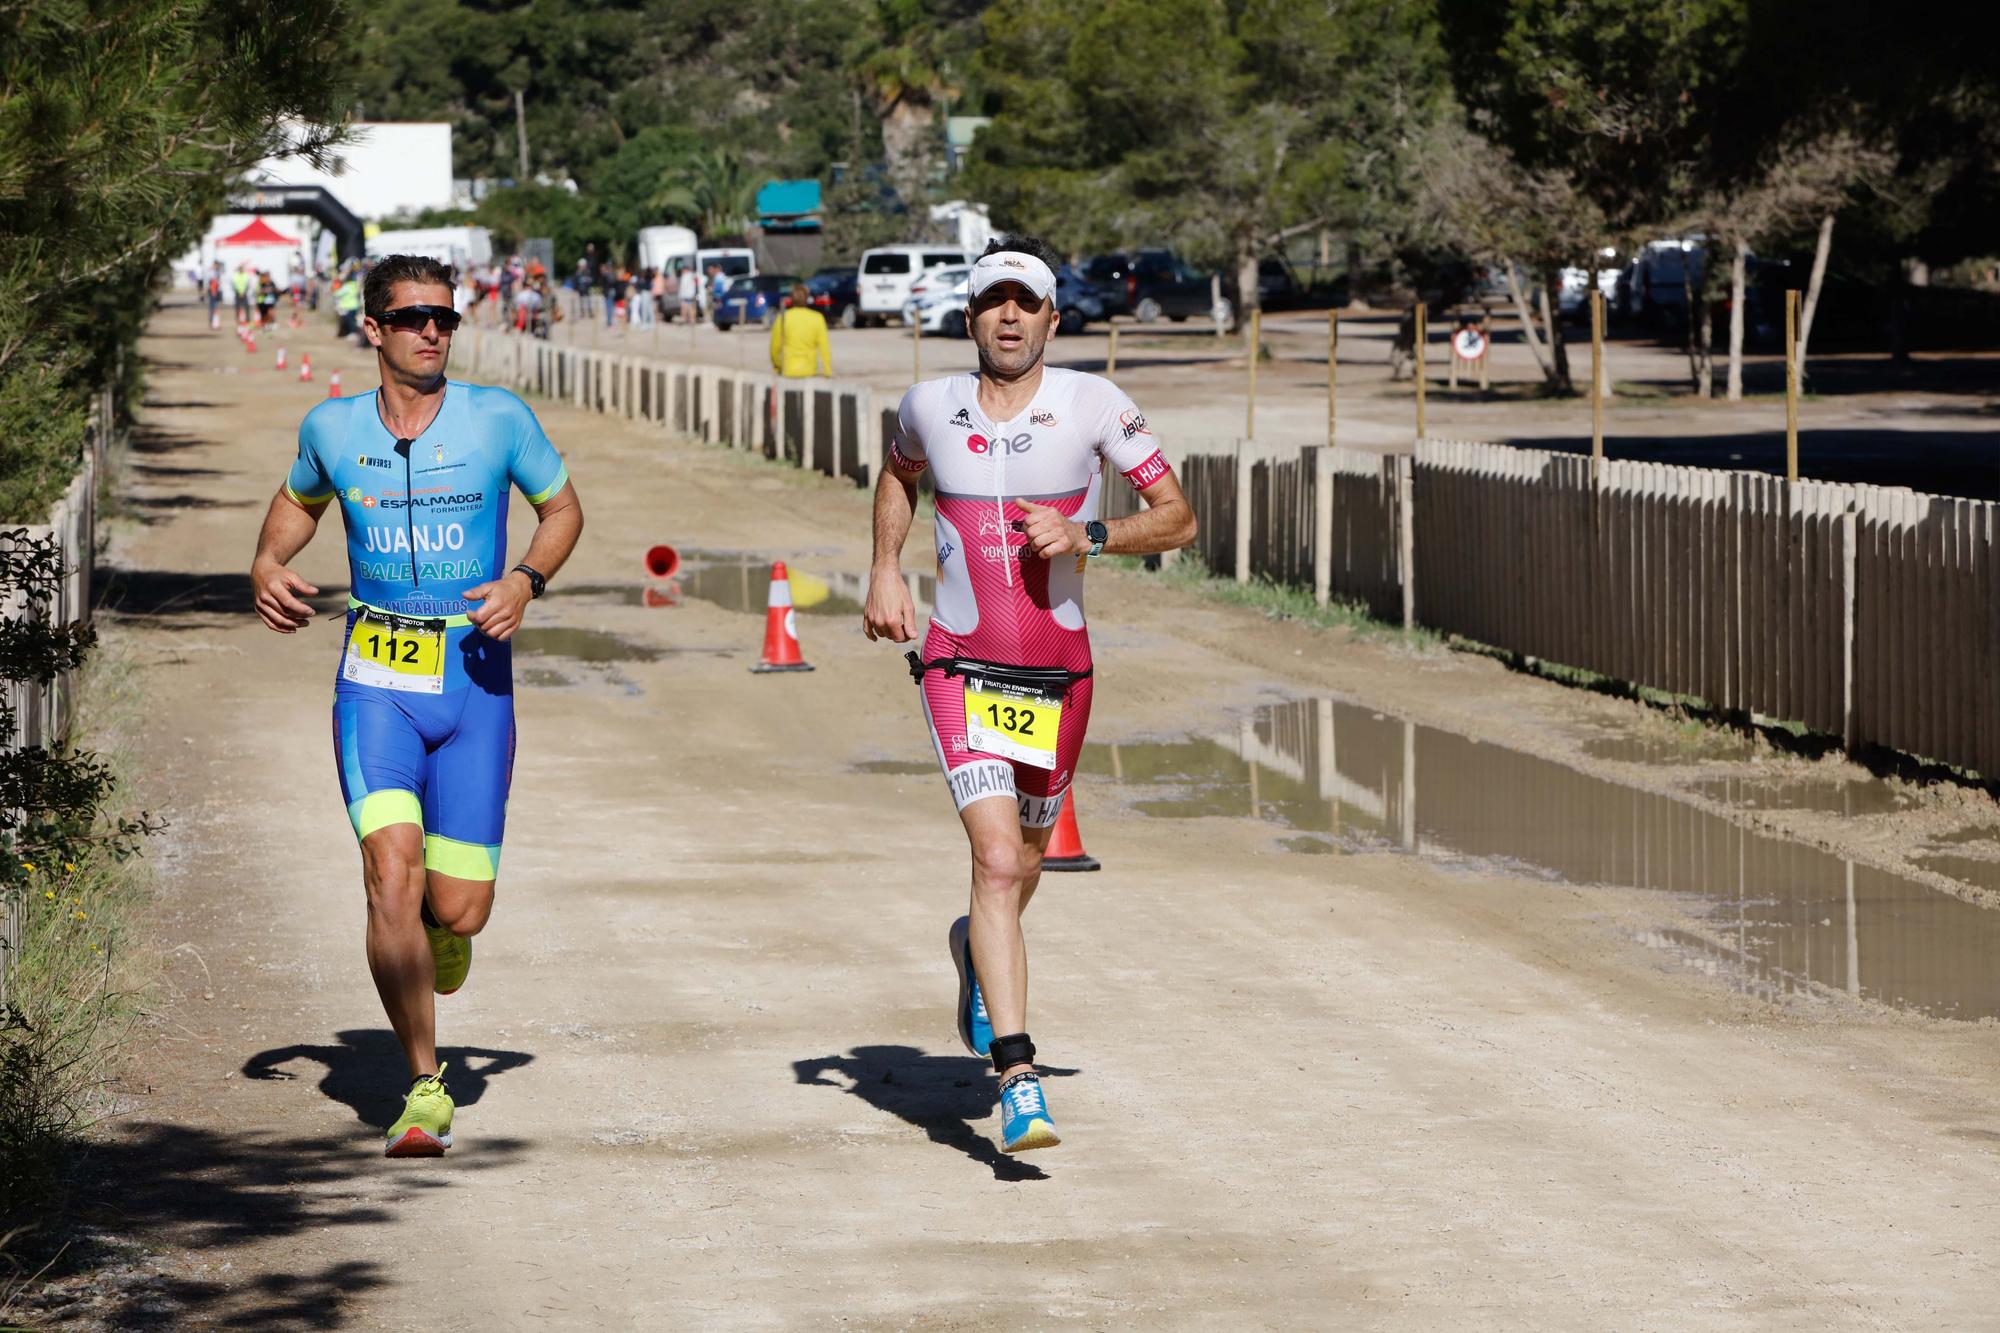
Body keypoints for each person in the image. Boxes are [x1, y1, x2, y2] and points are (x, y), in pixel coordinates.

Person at [861, 235, 1196, 1155]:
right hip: (960, 665)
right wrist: (886, 566)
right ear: (967, 317)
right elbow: (899, 471)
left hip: (1060, 674)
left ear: (1053, 316)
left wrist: (1090, 532)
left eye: (1026, 301)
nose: (1008, 316)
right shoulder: (927, 404)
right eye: (991, 301)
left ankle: (974, 947)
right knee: (1000, 861)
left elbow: (1180, 516)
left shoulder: (1096, 403)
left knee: (1027, 864)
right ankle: (1017, 1075)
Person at [249, 253, 585, 1157]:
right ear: (374, 329)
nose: (431, 330)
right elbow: (295, 503)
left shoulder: (498, 419)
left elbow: (563, 511)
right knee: (387, 872)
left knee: (459, 906)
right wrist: (267, 562)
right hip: (375, 684)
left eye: (443, 316)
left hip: (473, 682)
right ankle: (424, 1083)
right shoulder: (333, 427)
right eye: (411, 317)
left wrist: (525, 579)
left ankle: (445, 930)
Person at [770, 282, 831, 378]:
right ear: (807, 298)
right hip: (809, 371)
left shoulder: (782, 318)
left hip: (788, 370)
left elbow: (775, 348)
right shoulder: (817, 318)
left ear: (791, 298)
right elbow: (824, 348)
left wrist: (777, 366)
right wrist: (827, 372)